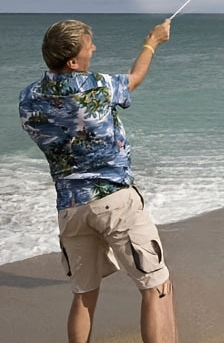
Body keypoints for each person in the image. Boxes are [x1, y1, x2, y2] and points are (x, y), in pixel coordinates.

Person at [19, 18, 177, 343]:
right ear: (73, 61)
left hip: (71, 209)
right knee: (157, 286)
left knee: (84, 295)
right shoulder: (97, 86)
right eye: (88, 44)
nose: (95, 47)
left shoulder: (28, 97)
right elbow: (133, 80)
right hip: (115, 201)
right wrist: (153, 41)